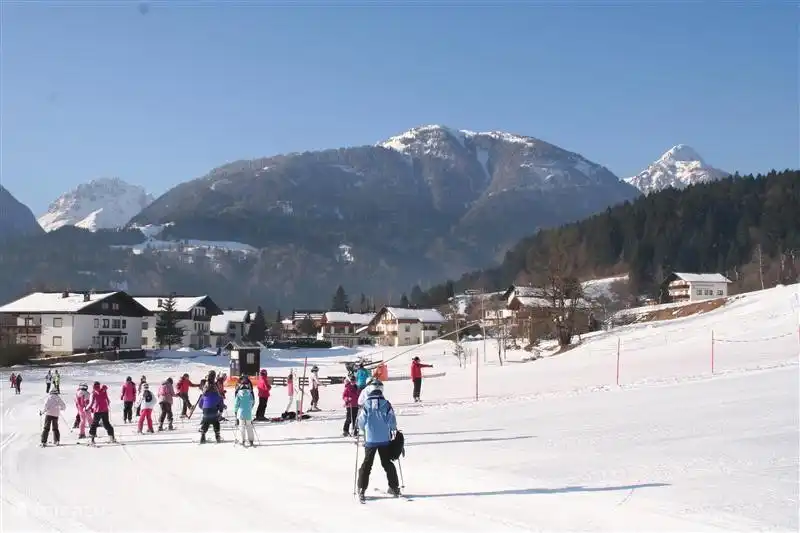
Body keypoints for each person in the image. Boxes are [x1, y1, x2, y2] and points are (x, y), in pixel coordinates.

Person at [356, 379, 400, 501]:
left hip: (370, 439)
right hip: (384, 439)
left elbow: (361, 421)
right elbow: (392, 421)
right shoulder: (386, 404)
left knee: (367, 464)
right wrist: (392, 429)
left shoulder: (366, 404)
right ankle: (394, 487)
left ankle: (361, 489)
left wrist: (362, 430)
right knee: (387, 463)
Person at [233, 376, 256, 446]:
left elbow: (236, 404)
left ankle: (242, 440)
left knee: (241, 427)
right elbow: (252, 402)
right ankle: (251, 440)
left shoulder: (238, 394)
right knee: (249, 426)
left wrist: (235, 411)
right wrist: (249, 408)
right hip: (248, 413)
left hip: (241, 413)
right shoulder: (250, 394)